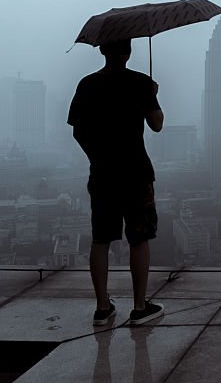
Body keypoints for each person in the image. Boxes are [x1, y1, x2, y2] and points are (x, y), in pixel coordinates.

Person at [67, 38, 165, 326]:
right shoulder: (140, 83)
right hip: (136, 171)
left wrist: (96, 156)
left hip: (102, 173)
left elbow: (77, 131)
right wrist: (152, 93)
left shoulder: (87, 85)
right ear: (129, 52)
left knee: (101, 239)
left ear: (102, 50)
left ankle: (102, 308)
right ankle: (139, 307)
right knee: (139, 238)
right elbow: (157, 125)